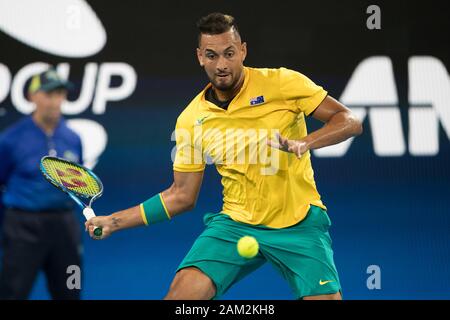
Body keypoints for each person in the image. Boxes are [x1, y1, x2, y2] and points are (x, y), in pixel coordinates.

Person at [85, 12, 363, 300]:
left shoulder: (282, 83)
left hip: (300, 222)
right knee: (181, 298)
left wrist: (304, 143)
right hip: (236, 225)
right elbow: (181, 195)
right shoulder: (192, 120)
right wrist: (113, 221)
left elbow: (350, 121)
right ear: (200, 57)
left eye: (229, 53)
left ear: (242, 50)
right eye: (212, 55)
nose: (222, 64)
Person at [0, 68, 83, 300]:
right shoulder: (10, 140)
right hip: (22, 228)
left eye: (60, 94)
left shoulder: (73, 139)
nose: (55, 101)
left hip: (65, 229)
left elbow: (78, 184)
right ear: (32, 96)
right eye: (49, 94)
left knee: (71, 291)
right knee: (12, 294)